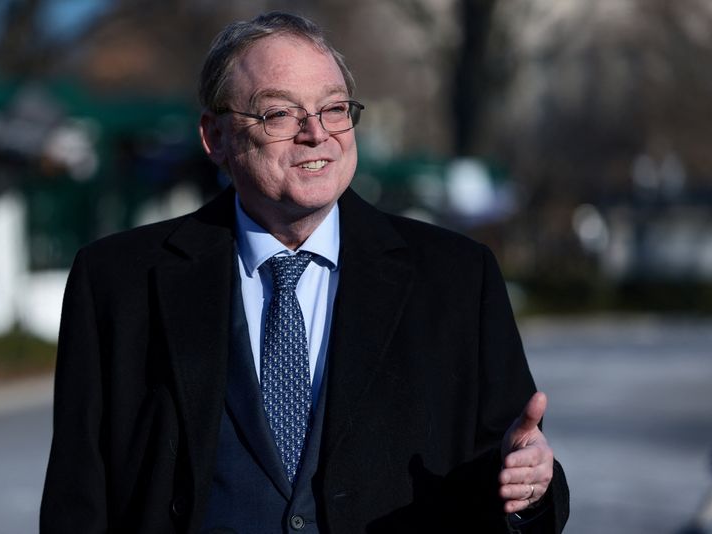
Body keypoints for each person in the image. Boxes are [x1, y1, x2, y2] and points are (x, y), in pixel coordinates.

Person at [41, 11, 569, 534]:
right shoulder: (118, 283)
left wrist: (529, 491)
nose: (316, 134)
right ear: (216, 137)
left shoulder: (457, 279)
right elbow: (77, 502)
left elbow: (518, 476)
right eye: (279, 114)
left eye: (334, 109)